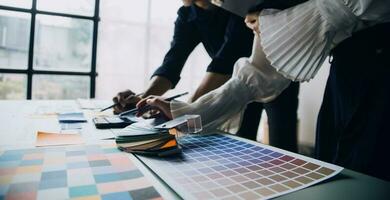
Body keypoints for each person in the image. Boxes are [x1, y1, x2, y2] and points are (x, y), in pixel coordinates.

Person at [136, 0, 390, 180]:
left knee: (362, 171)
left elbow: (225, 62)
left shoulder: (238, 16)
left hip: (380, 65)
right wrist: (186, 112)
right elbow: (255, 76)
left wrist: (281, 22)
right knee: (334, 168)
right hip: (343, 72)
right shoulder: (195, 14)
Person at [113, 0, 300, 152]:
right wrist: (142, 99)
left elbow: (224, 62)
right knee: (241, 145)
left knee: (283, 145)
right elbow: (171, 64)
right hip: (237, 85)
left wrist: (183, 111)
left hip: (276, 75)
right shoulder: (188, 14)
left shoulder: (236, 6)